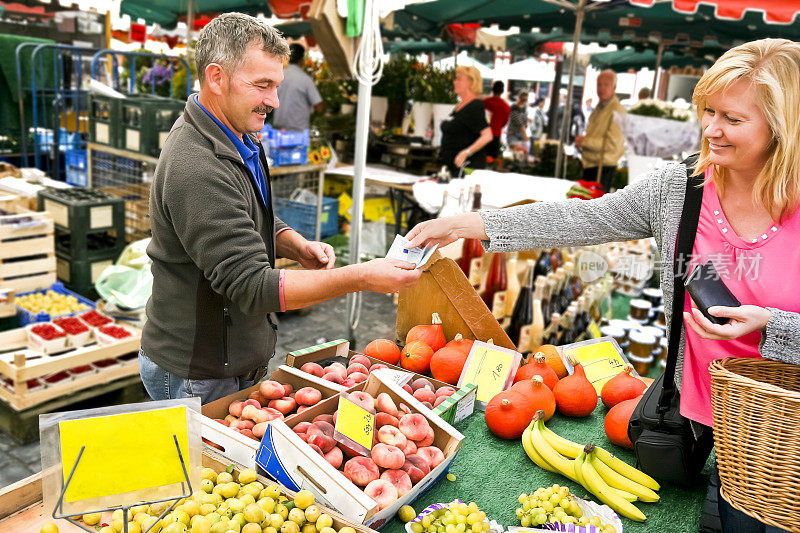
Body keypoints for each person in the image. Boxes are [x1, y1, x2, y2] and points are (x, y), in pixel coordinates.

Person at [406, 39, 800, 533]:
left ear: (783, 127)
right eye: (708, 110)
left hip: (782, 440)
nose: (710, 130)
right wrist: (466, 224)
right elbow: (584, 218)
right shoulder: (681, 189)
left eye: (733, 119)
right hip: (698, 421)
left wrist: (773, 328)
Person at [140, 13, 421, 405]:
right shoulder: (197, 165)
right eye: (262, 85)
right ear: (216, 78)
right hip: (198, 370)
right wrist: (359, 277)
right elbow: (253, 287)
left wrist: (293, 242)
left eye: (276, 85)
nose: (273, 100)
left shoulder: (238, 135)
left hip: (227, 357)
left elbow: (250, 214)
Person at [575, 69, 626, 192]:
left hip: (603, 168)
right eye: (599, 84)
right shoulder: (600, 107)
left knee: (594, 208)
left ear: (614, 88)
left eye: (606, 85)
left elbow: (611, 144)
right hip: (591, 165)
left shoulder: (618, 110)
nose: (601, 88)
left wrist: (585, 142)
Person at [439, 65, 493, 176]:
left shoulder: (475, 106)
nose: (454, 82)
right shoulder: (462, 106)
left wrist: (466, 152)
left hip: (467, 168)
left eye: (459, 79)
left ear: (471, 82)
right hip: (454, 168)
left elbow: (488, 135)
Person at [270, 43, 323, 132]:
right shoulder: (305, 79)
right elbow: (319, 107)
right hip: (298, 132)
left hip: (278, 131)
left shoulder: (278, 76)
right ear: (302, 59)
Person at [483, 80, 510, 159]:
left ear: (492, 89)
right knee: (492, 160)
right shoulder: (505, 106)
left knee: (481, 159)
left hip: (483, 134)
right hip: (496, 134)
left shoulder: (485, 102)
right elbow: (504, 122)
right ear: (502, 91)